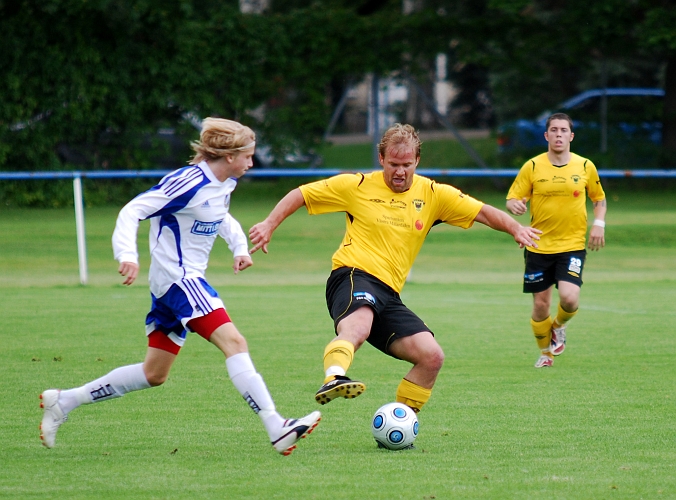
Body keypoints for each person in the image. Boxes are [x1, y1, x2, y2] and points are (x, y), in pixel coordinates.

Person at [39, 118, 320, 455]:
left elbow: (220, 216)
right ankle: (277, 425)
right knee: (234, 341)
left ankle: (65, 400)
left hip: (170, 286)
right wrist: (127, 254)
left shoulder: (224, 182)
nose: (251, 162)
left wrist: (239, 247)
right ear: (229, 156)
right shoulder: (187, 182)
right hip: (180, 280)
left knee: (153, 373)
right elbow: (133, 210)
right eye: (248, 156)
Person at [248, 123, 541, 416]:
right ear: (381, 159)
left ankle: (399, 422)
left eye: (406, 165)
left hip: (389, 294)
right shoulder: (357, 185)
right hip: (353, 274)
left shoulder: (433, 194)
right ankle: (334, 376)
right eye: (393, 164)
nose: (399, 172)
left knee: (431, 356)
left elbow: (482, 212)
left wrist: (515, 228)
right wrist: (269, 224)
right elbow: (301, 194)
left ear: (417, 161)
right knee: (358, 327)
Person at [506, 112, 606, 368]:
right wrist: (515, 205)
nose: (558, 134)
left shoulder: (585, 166)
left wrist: (599, 223)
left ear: (571, 136)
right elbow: (512, 198)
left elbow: (599, 199)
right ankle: (545, 354)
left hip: (572, 245)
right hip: (539, 245)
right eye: (554, 130)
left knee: (570, 298)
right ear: (546, 135)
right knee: (541, 305)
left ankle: (558, 326)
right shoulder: (533, 166)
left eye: (563, 130)